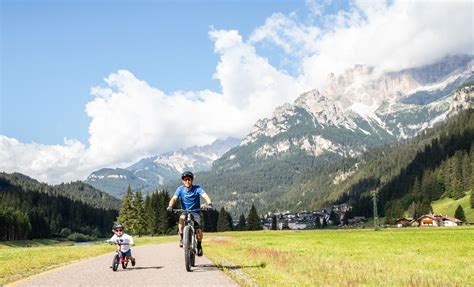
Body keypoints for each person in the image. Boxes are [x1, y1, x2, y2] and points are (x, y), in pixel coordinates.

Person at [167, 171, 212, 256]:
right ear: (183, 181)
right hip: (185, 211)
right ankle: (181, 238)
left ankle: (199, 246)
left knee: (198, 231)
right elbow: (174, 198)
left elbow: (205, 195)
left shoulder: (197, 188)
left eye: (189, 179)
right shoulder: (180, 189)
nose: (187, 181)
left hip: (195, 212)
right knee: (181, 221)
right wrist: (170, 206)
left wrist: (209, 203)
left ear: (191, 180)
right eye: (185, 179)